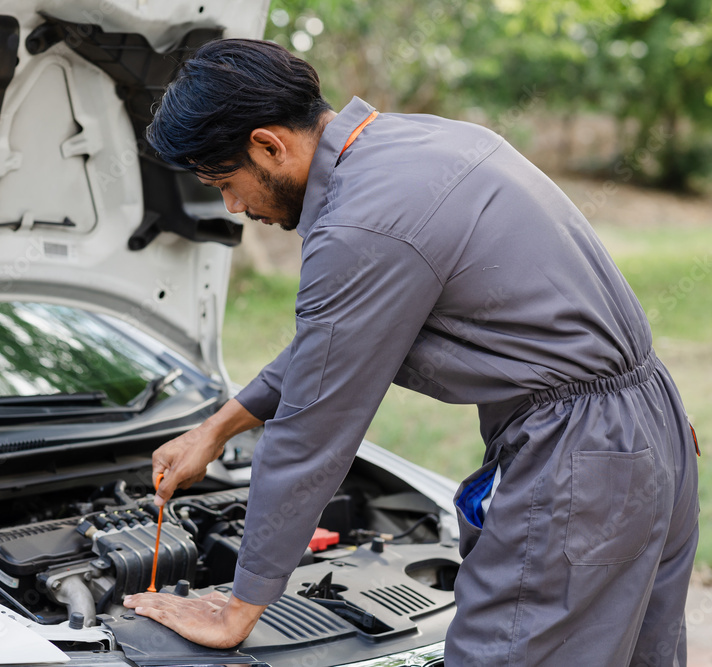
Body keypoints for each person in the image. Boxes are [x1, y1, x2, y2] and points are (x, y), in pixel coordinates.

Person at [121, 39, 700, 665]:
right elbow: (339, 339)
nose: (234, 207)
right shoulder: (421, 143)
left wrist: (240, 607)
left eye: (224, 182)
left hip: (578, 462)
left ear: (268, 145)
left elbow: (313, 430)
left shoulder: (358, 226)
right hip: (648, 427)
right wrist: (218, 427)